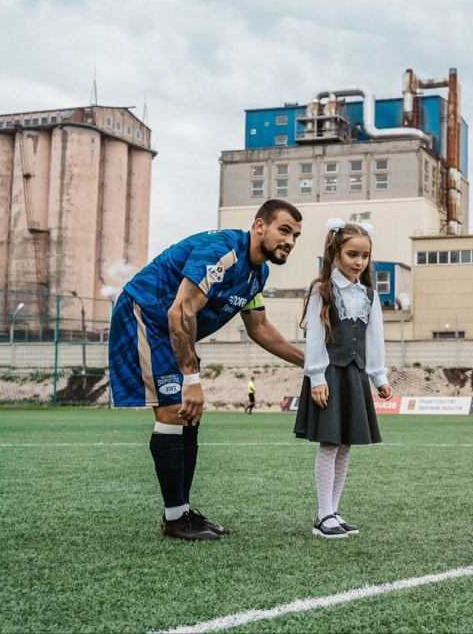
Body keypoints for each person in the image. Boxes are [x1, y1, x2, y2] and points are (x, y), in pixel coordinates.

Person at [108, 199, 306, 541]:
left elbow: (258, 328)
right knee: (173, 412)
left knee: (189, 415)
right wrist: (191, 378)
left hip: (172, 328)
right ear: (260, 226)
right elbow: (179, 311)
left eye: (296, 236)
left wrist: (309, 362)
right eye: (284, 230)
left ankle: (181, 514)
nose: (289, 240)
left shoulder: (258, 273)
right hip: (145, 315)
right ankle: (175, 519)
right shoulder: (223, 250)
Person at [294, 218, 393, 539]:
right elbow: (314, 338)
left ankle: (333, 511)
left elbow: (374, 337)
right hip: (329, 374)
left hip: (354, 374)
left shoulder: (369, 293)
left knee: (345, 444)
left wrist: (379, 376)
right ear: (335, 253)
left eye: (364, 256)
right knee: (330, 443)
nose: (359, 262)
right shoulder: (321, 289)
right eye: (352, 254)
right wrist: (317, 377)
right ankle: (323, 515)